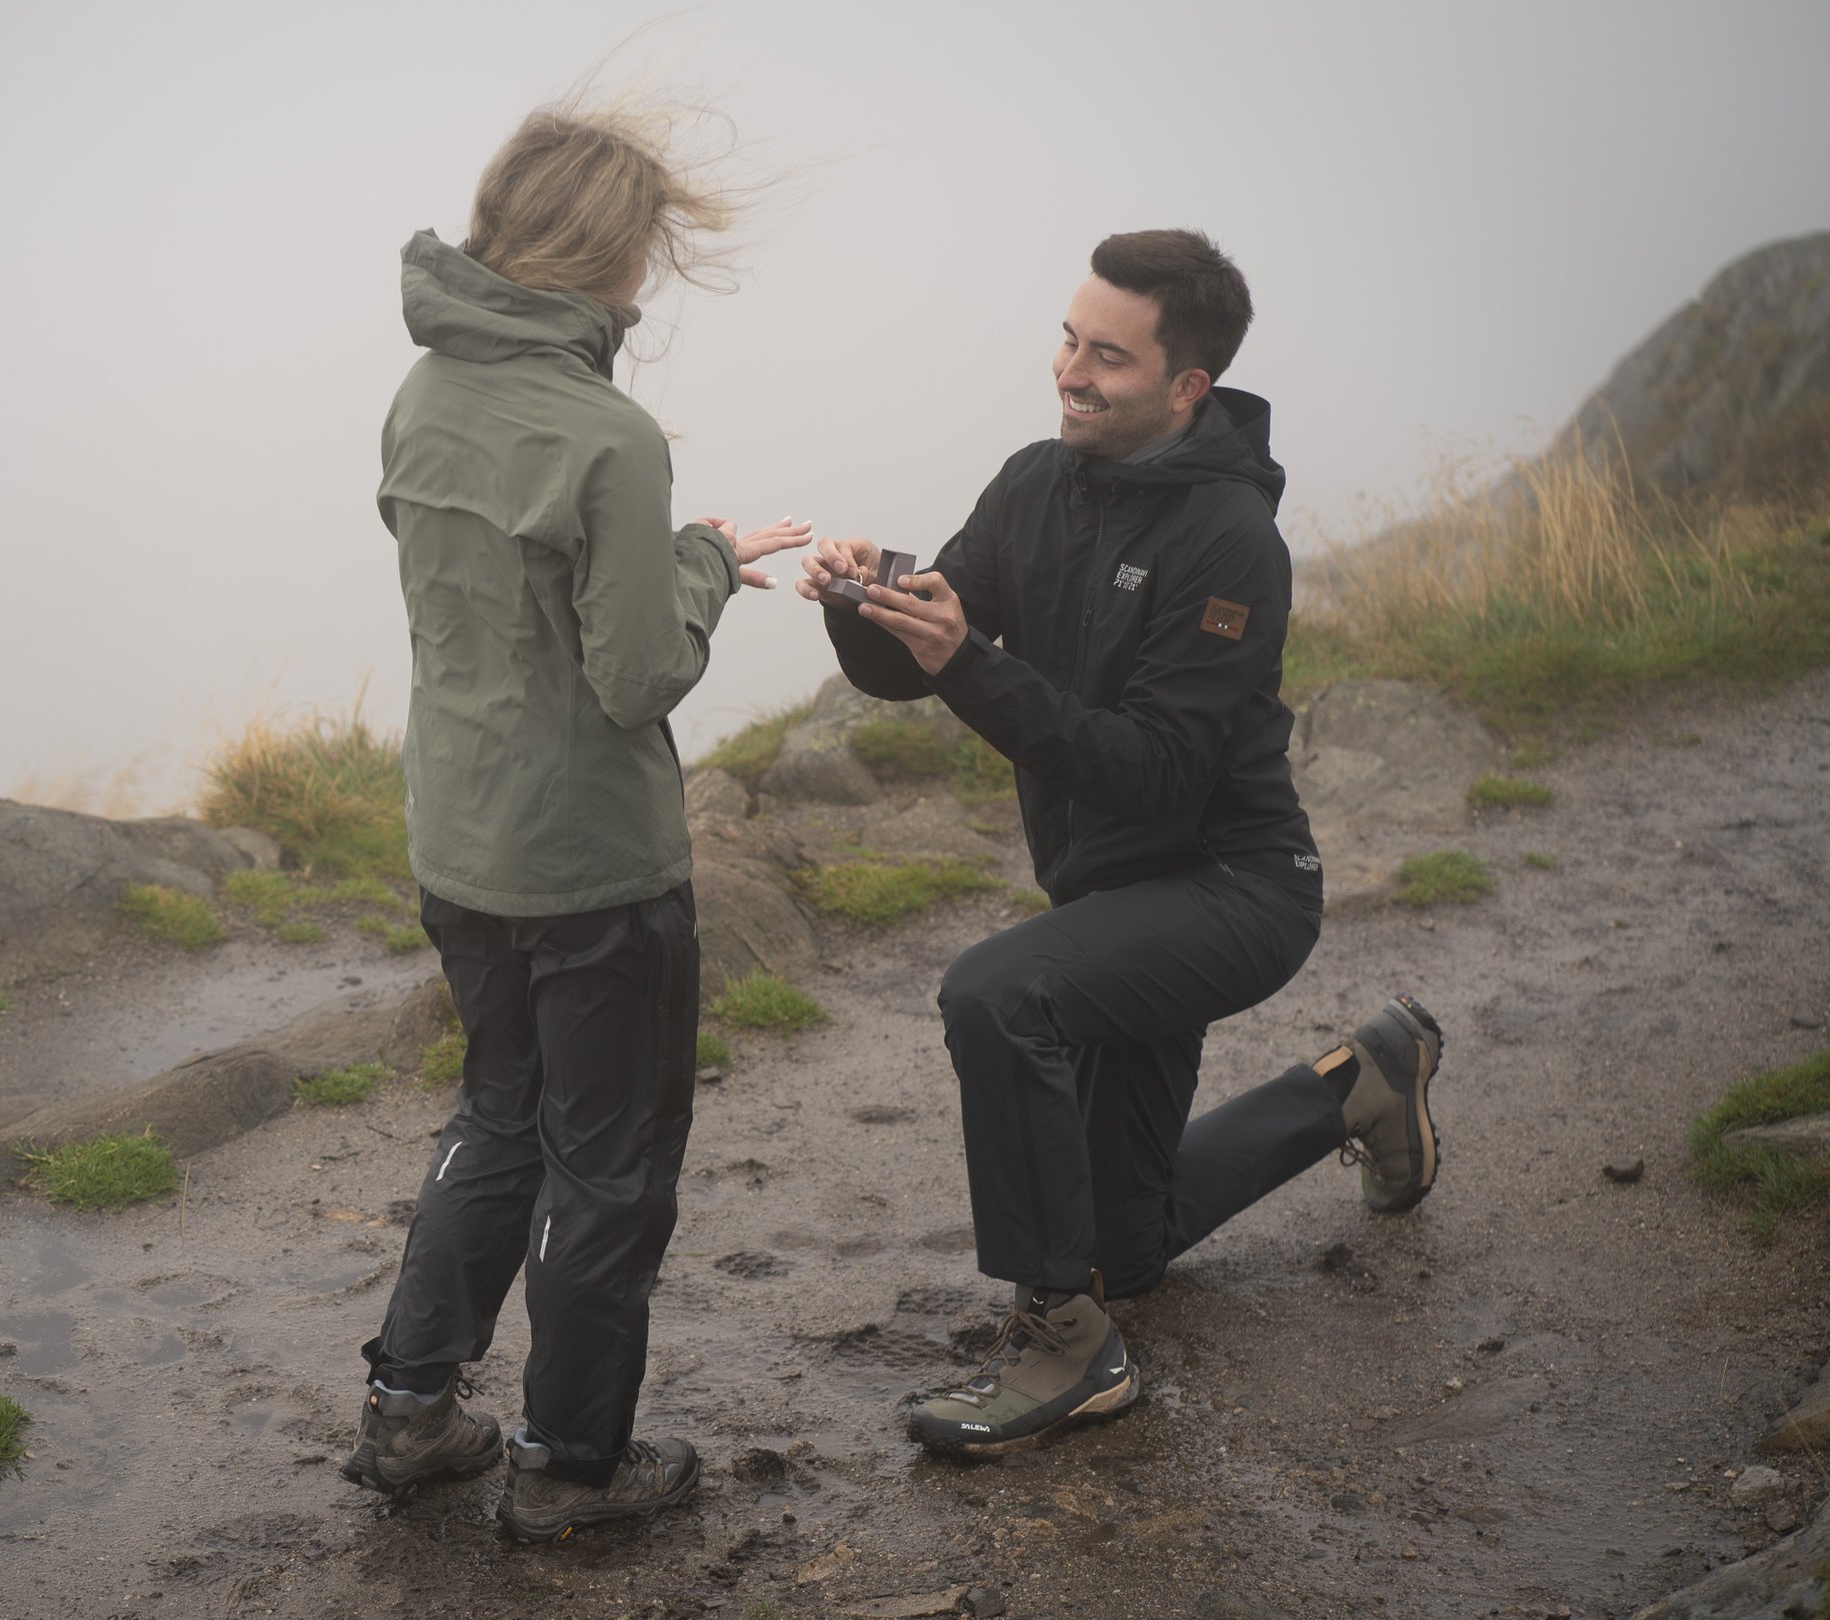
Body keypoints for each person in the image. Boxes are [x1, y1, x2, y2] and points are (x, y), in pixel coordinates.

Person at [796, 229, 1445, 1457]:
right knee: (1118, 1248)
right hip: (1114, 899)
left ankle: (1063, 1344)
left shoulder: (1230, 541)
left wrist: (968, 664)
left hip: (1233, 890)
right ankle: (1364, 1080)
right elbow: (919, 657)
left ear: (1185, 386)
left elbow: (1151, 775)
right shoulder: (1035, 484)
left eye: (1107, 356)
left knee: (996, 993)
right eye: (1067, 339)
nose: (1069, 371)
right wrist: (865, 602)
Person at [340, 100, 810, 1538]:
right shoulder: (609, 436)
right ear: (609, 252)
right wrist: (705, 561)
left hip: (460, 843)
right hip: (594, 866)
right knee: (607, 1170)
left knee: (497, 1116)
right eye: (644, 246)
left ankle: (410, 1412)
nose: (648, 273)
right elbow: (638, 675)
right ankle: (567, 1469)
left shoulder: (422, 395)